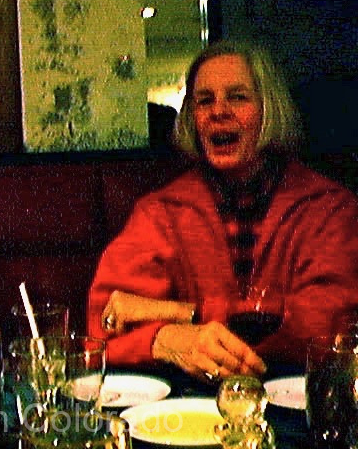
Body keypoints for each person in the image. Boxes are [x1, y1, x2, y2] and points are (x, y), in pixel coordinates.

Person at [87, 40, 358, 383]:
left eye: (237, 97)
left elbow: (329, 323)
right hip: (190, 403)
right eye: (204, 101)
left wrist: (186, 313)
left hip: (299, 398)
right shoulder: (161, 213)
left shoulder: (329, 208)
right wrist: (163, 339)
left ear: (269, 110)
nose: (218, 111)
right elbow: (104, 322)